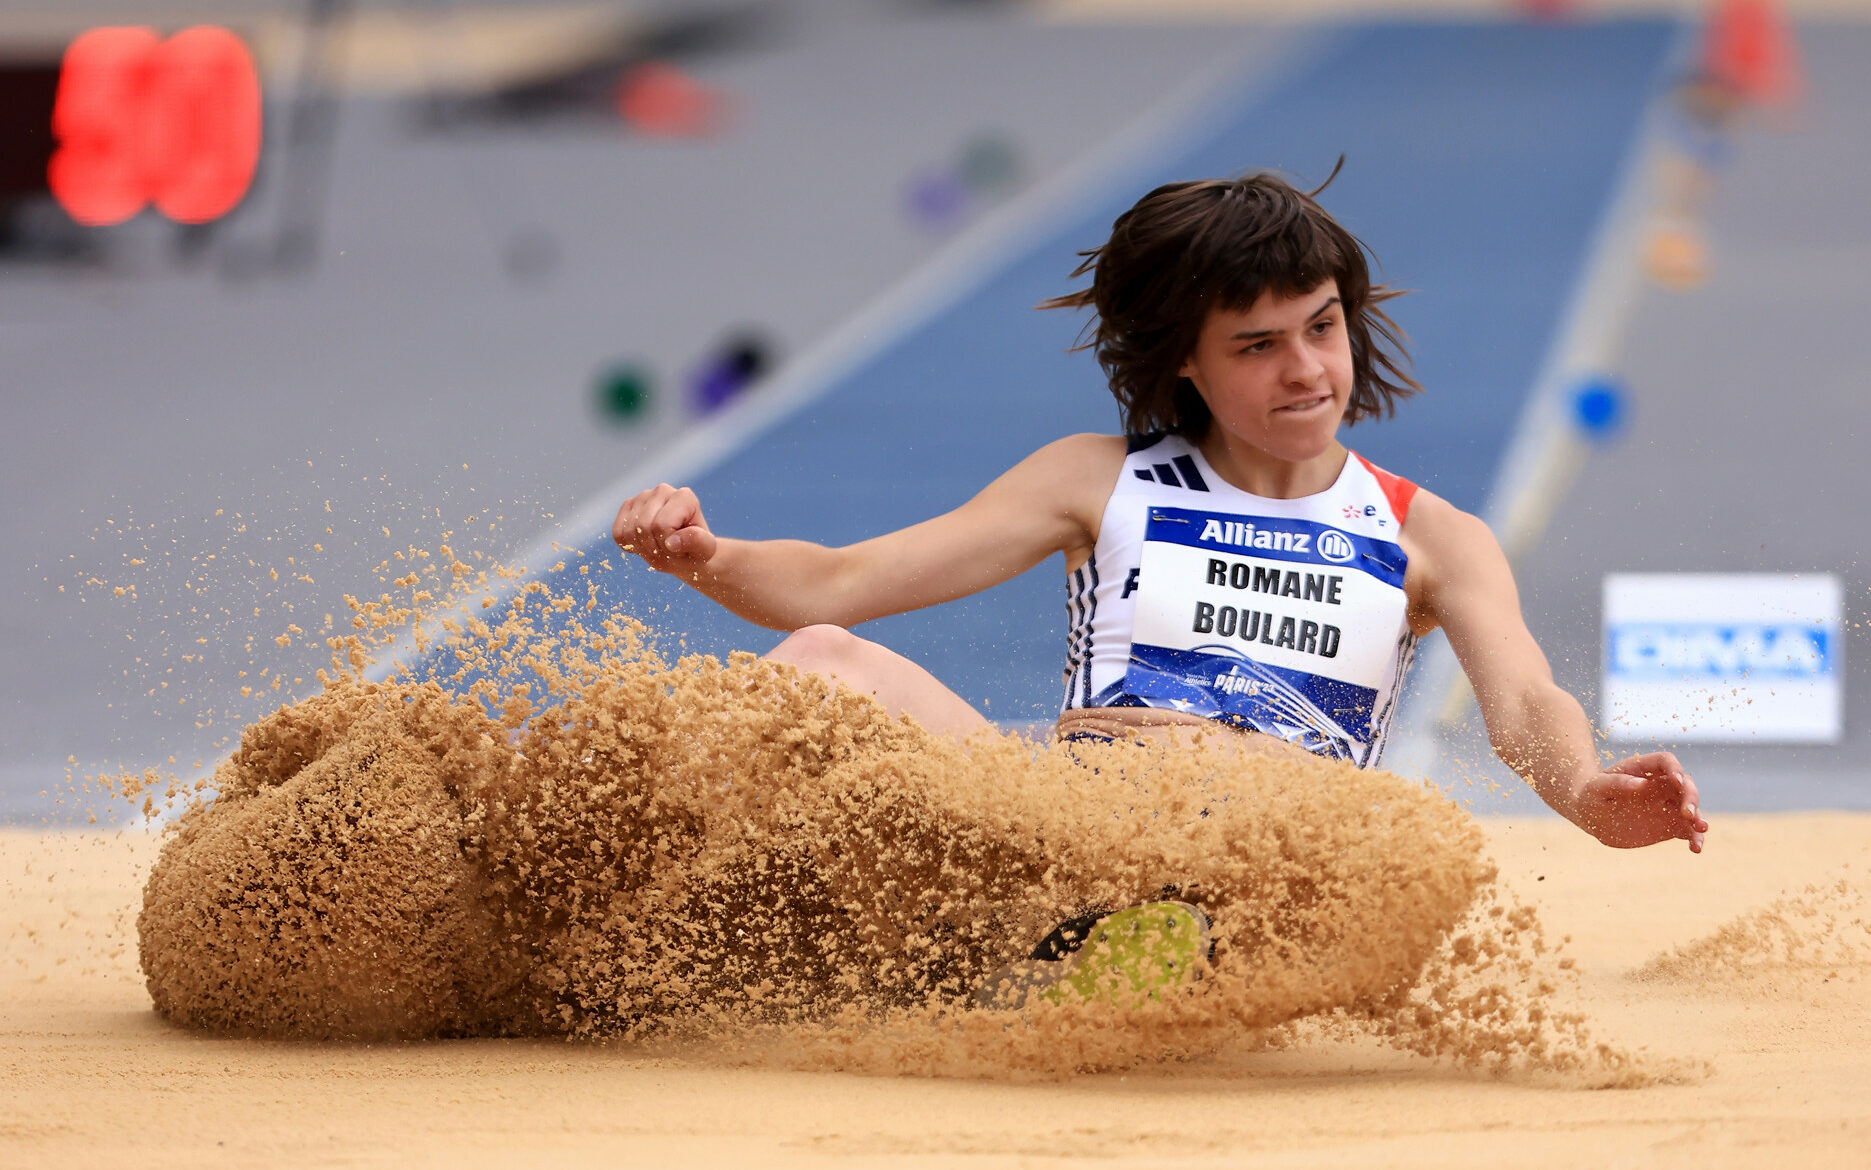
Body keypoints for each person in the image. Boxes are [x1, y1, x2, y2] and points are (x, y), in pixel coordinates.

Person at [612, 171, 1707, 856]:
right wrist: (705, 556)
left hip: (1282, 842)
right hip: (1077, 815)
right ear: (1183, 364)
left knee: (1265, 801)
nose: (1305, 372)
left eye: (1320, 329)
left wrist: (1583, 790)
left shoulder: (1428, 535)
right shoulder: (1095, 480)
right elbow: (837, 585)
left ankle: (1128, 952)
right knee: (821, 658)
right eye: (1257, 346)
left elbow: (1522, 700)